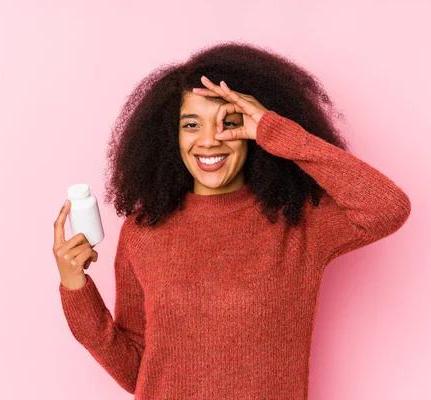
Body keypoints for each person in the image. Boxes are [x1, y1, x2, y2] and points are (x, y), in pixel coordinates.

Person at [52, 42, 411, 399]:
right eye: (191, 124)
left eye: (229, 123)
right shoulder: (144, 230)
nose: (209, 140)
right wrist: (76, 287)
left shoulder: (298, 223)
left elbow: (387, 208)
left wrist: (277, 132)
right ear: (169, 137)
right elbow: (137, 371)